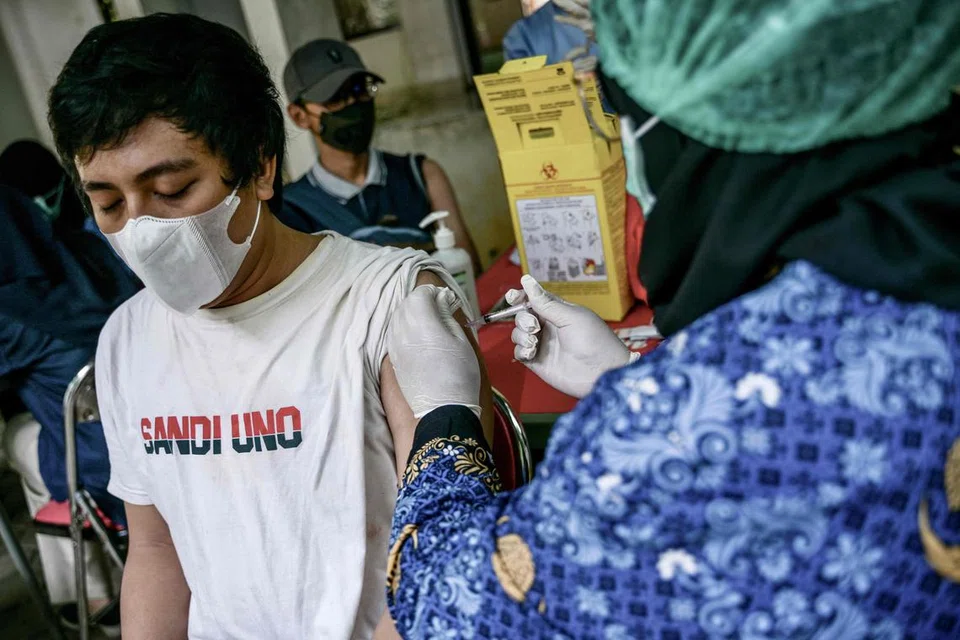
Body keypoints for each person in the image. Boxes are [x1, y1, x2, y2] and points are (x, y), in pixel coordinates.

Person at [381, 1, 960, 637]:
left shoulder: (679, 432)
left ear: (690, 128)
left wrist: (443, 414)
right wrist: (623, 374)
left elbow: (450, 604)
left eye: (622, 116)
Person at [48, 13, 491, 639]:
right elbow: (156, 550)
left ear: (260, 165)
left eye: (172, 188)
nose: (142, 231)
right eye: (110, 203)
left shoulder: (391, 304)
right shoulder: (127, 339)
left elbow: (444, 548)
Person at [0, 184, 137, 629]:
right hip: (164, 432)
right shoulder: (99, 247)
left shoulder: (10, 314)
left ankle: (96, 596)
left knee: (18, 436)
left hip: (112, 473)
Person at [280, 39, 481, 271]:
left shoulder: (421, 176)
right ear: (299, 116)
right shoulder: (293, 209)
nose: (353, 105)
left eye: (359, 90)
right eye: (335, 98)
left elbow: (470, 274)